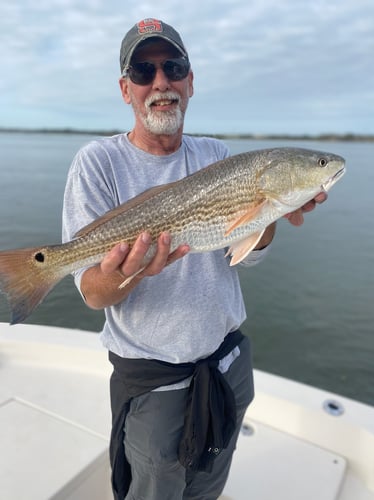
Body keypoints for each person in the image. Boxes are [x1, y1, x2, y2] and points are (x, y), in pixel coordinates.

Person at [62, 18, 327, 500]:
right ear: (126, 89)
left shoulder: (217, 154)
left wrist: (273, 209)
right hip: (154, 382)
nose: (160, 82)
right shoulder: (97, 163)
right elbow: (93, 293)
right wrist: (134, 270)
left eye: (173, 66)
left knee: (208, 488)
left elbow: (245, 253)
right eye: (144, 70)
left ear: (190, 81)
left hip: (226, 363)